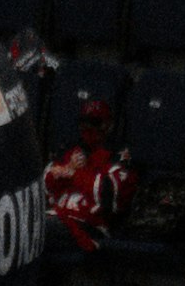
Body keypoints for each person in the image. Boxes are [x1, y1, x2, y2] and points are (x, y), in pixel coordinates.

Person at [45, 94, 132, 266]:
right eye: (84, 123)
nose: (88, 128)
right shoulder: (70, 151)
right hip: (57, 217)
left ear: (108, 126)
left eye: (95, 123)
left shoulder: (118, 157)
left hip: (89, 226)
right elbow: (46, 186)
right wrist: (67, 170)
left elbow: (109, 198)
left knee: (33, 231)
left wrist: (74, 174)